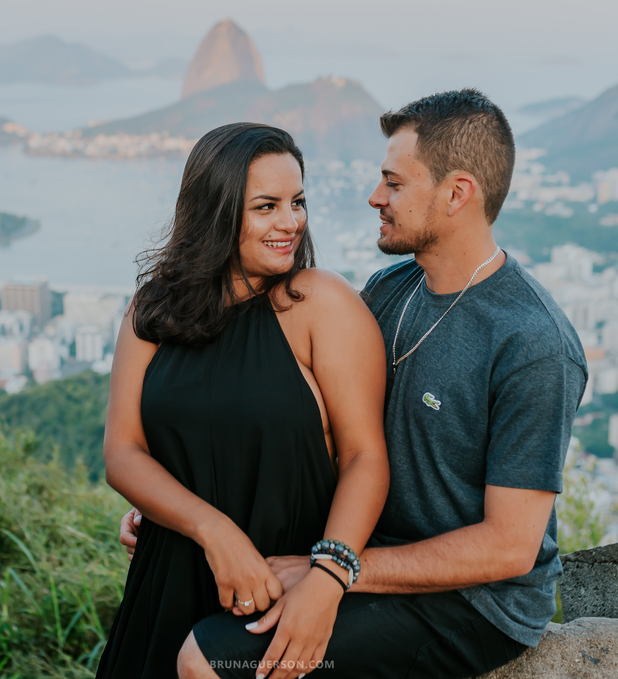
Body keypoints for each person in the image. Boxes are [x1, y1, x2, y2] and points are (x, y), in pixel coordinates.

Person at [129, 89, 586, 679]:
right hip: (366, 551)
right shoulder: (391, 290)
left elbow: (509, 547)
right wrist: (180, 500)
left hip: (469, 604)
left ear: (457, 193)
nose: (375, 197)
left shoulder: (532, 342)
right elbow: (303, 416)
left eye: (393, 184)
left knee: (209, 661)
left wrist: (335, 569)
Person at [96, 122, 391, 679]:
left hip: (281, 589)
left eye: (297, 202)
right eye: (266, 206)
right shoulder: (153, 309)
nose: (290, 222)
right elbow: (123, 452)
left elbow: (364, 458)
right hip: (168, 577)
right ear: (217, 210)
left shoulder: (319, 304)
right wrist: (214, 530)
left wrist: (327, 580)